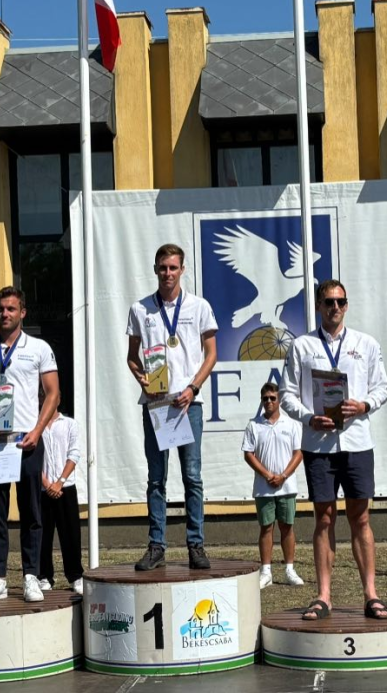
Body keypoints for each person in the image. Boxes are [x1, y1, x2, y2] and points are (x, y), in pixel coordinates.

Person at [280, 279, 387, 621]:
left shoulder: (365, 344)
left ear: (347, 304)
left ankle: (371, 594)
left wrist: (364, 405)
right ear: (319, 305)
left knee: (361, 517)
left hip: (357, 441)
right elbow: (286, 394)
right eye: (329, 302)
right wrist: (308, 417)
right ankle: (323, 595)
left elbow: (382, 388)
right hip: (319, 445)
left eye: (341, 301)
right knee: (324, 518)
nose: (335, 307)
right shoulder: (301, 346)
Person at [0, 286, 60, 604]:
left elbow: (53, 393)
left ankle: (31, 576)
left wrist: (38, 430)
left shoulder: (39, 348)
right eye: (1, 309)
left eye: (11, 309)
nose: (5, 314)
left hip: (26, 439)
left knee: (31, 510)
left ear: (22, 312)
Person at [126, 243, 218, 571]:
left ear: (182, 270)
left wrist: (193, 388)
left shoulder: (199, 306)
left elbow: (211, 354)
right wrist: (143, 380)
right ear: (155, 269)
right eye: (163, 267)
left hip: (188, 404)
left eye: (173, 267)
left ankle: (196, 545)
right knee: (156, 479)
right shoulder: (140, 309)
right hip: (157, 404)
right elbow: (132, 357)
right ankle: (156, 546)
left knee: (192, 477)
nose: (168, 273)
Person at [242, 382, 305, 589]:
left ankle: (289, 569)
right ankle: (266, 571)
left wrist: (283, 476)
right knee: (266, 527)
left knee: (287, 526)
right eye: (265, 398)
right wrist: (268, 475)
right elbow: (248, 454)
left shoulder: (292, 424)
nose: (268, 402)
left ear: (279, 400)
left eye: (272, 398)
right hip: (264, 487)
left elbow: (298, 453)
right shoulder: (254, 425)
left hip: (287, 486)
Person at [39, 407, 85, 594]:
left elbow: (74, 454)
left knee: (70, 533)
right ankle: (44, 576)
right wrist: (45, 482)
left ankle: (75, 575)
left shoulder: (69, 424)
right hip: (42, 488)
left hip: (65, 487)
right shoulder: (35, 425)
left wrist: (60, 482)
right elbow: (31, 456)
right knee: (43, 535)